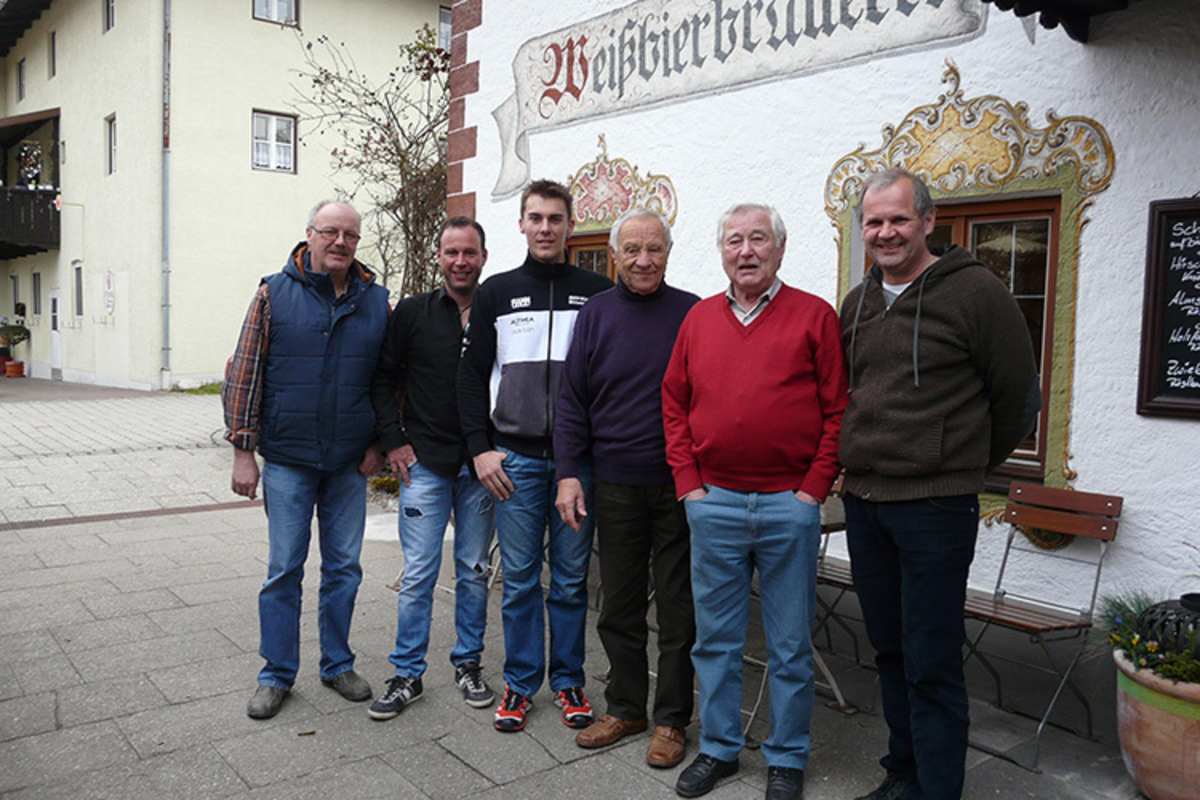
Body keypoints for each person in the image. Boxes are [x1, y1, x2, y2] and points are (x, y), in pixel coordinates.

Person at [839, 168, 1039, 800]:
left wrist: (961, 463)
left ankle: (938, 788)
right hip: (866, 503)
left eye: (899, 219)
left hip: (935, 508)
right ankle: (904, 771)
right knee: (890, 651)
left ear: (929, 220)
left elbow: (1017, 399)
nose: (886, 232)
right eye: (874, 222)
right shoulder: (858, 302)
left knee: (932, 658)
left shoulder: (977, 293)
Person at [662, 203, 847, 800]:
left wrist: (811, 490)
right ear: (721, 252)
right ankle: (719, 749)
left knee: (789, 643)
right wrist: (689, 483)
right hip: (713, 502)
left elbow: (838, 410)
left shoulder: (814, 317)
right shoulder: (698, 320)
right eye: (734, 240)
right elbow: (674, 403)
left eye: (757, 239)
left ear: (779, 249)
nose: (746, 251)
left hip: (785, 506)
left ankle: (787, 757)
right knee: (714, 639)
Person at [223, 200, 389, 720]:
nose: (340, 242)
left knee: (344, 569)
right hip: (290, 459)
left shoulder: (376, 301)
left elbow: (387, 381)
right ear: (310, 235)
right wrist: (242, 452)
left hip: (346, 463)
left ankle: (337, 664)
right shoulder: (273, 293)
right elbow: (245, 373)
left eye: (350, 235)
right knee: (283, 570)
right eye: (330, 232)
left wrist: (379, 444)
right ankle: (276, 674)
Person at [458, 179, 612, 734]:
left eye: (555, 218)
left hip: (577, 466)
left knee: (571, 581)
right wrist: (480, 451)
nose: (545, 228)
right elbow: (471, 379)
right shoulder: (496, 292)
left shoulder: (597, 292)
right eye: (536, 218)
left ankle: (568, 681)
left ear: (570, 226)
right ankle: (520, 685)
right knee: (520, 580)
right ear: (521, 225)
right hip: (515, 462)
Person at [553, 208, 699, 767]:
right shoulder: (595, 314)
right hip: (614, 481)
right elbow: (572, 401)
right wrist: (569, 473)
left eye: (654, 249)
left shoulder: (693, 313)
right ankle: (626, 706)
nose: (644, 260)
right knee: (618, 604)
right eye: (633, 249)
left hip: (681, 485)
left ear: (668, 251)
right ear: (615, 254)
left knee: (679, 608)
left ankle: (671, 719)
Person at [366, 217, 497, 720]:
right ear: (438, 256)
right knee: (419, 573)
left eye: (469, 252)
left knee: (474, 569)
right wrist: (393, 441)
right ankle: (406, 673)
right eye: (451, 252)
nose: (460, 261)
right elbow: (383, 379)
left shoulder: (496, 309)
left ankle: (468, 663)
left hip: (481, 466)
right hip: (426, 463)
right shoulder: (414, 314)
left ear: (483, 256)